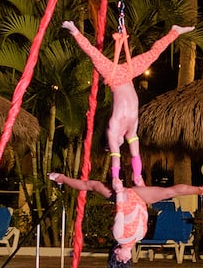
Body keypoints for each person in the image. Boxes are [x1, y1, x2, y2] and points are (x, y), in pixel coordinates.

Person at [60, 20, 194, 185]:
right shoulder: (130, 132)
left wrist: (116, 177)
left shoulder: (113, 128)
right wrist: (138, 176)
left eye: (113, 144)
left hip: (114, 75)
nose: (117, 145)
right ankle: (174, 31)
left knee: (93, 54)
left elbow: (115, 156)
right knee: (154, 54)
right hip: (129, 74)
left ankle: (74, 31)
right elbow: (135, 154)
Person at [47, 172, 203, 268]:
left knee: (93, 185)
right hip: (139, 196)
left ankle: (62, 178)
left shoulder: (120, 236)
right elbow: (143, 212)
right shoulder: (139, 236)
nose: (125, 260)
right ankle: (201, 190)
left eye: (119, 260)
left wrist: (120, 192)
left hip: (124, 197)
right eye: (125, 263)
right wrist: (140, 183)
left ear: (115, 253)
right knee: (168, 192)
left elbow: (121, 211)